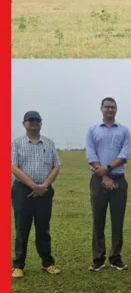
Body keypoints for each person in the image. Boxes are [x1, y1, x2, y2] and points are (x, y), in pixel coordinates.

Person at [11, 111, 62, 279]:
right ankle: (18, 265)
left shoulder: (49, 143)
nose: (34, 123)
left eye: (37, 121)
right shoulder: (17, 143)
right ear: (24, 124)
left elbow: (56, 166)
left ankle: (48, 263)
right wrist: (33, 185)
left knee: (43, 229)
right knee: (22, 228)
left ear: (41, 124)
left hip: (45, 192)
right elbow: (13, 167)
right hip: (22, 191)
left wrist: (44, 186)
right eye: (30, 121)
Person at [85, 97, 131, 272]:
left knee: (117, 220)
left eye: (113, 107)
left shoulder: (124, 131)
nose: (110, 110)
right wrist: (104, 176)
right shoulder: (93, 130)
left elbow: (125, 154)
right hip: (98, 180)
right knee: (98, 219)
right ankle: (98, 259)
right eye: (107, 107)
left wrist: (109, 168)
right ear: (101, 109)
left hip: (118, 179)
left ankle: (116, 257)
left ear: (116, 109)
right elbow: (91, 155)